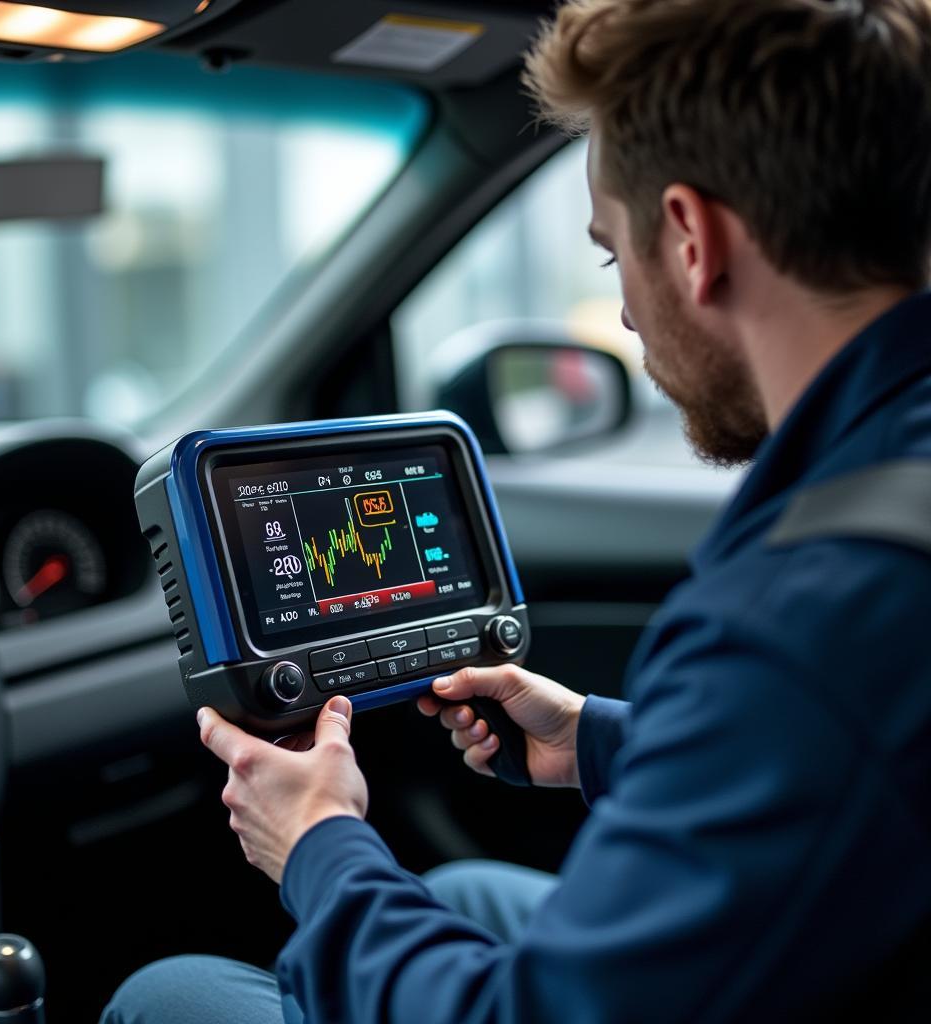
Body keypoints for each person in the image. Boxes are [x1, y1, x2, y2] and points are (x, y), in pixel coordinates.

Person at [102, 0, 931, 1020]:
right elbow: (833, 769)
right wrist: (599, 739)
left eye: (607, 252)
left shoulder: (803, 616)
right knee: (459, 893)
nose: (625, 309)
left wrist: (317, 844)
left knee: (167, 991)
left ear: (689, 237)